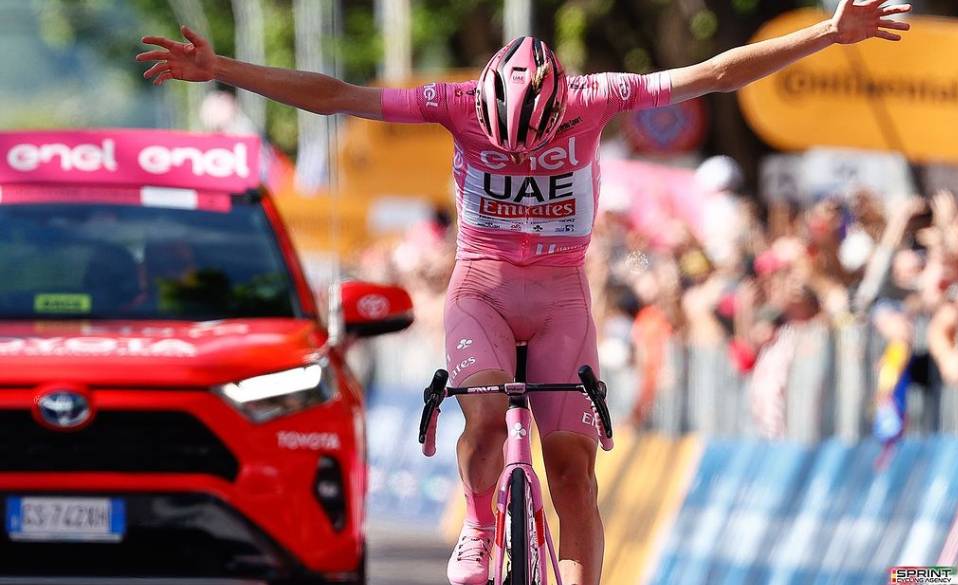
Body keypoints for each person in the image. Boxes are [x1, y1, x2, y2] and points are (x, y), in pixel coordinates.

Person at [137, 2, 910, 583]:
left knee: (573, 473)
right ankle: (479, 524)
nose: (521, 157)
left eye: (536, 144)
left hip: (562, 297)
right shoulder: (453, 104)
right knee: (480, 420)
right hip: (482, 289)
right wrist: (225, 69)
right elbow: (337, 94)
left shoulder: (597, 95)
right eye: (504, 148)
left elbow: (714, 74)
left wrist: (826, 32)